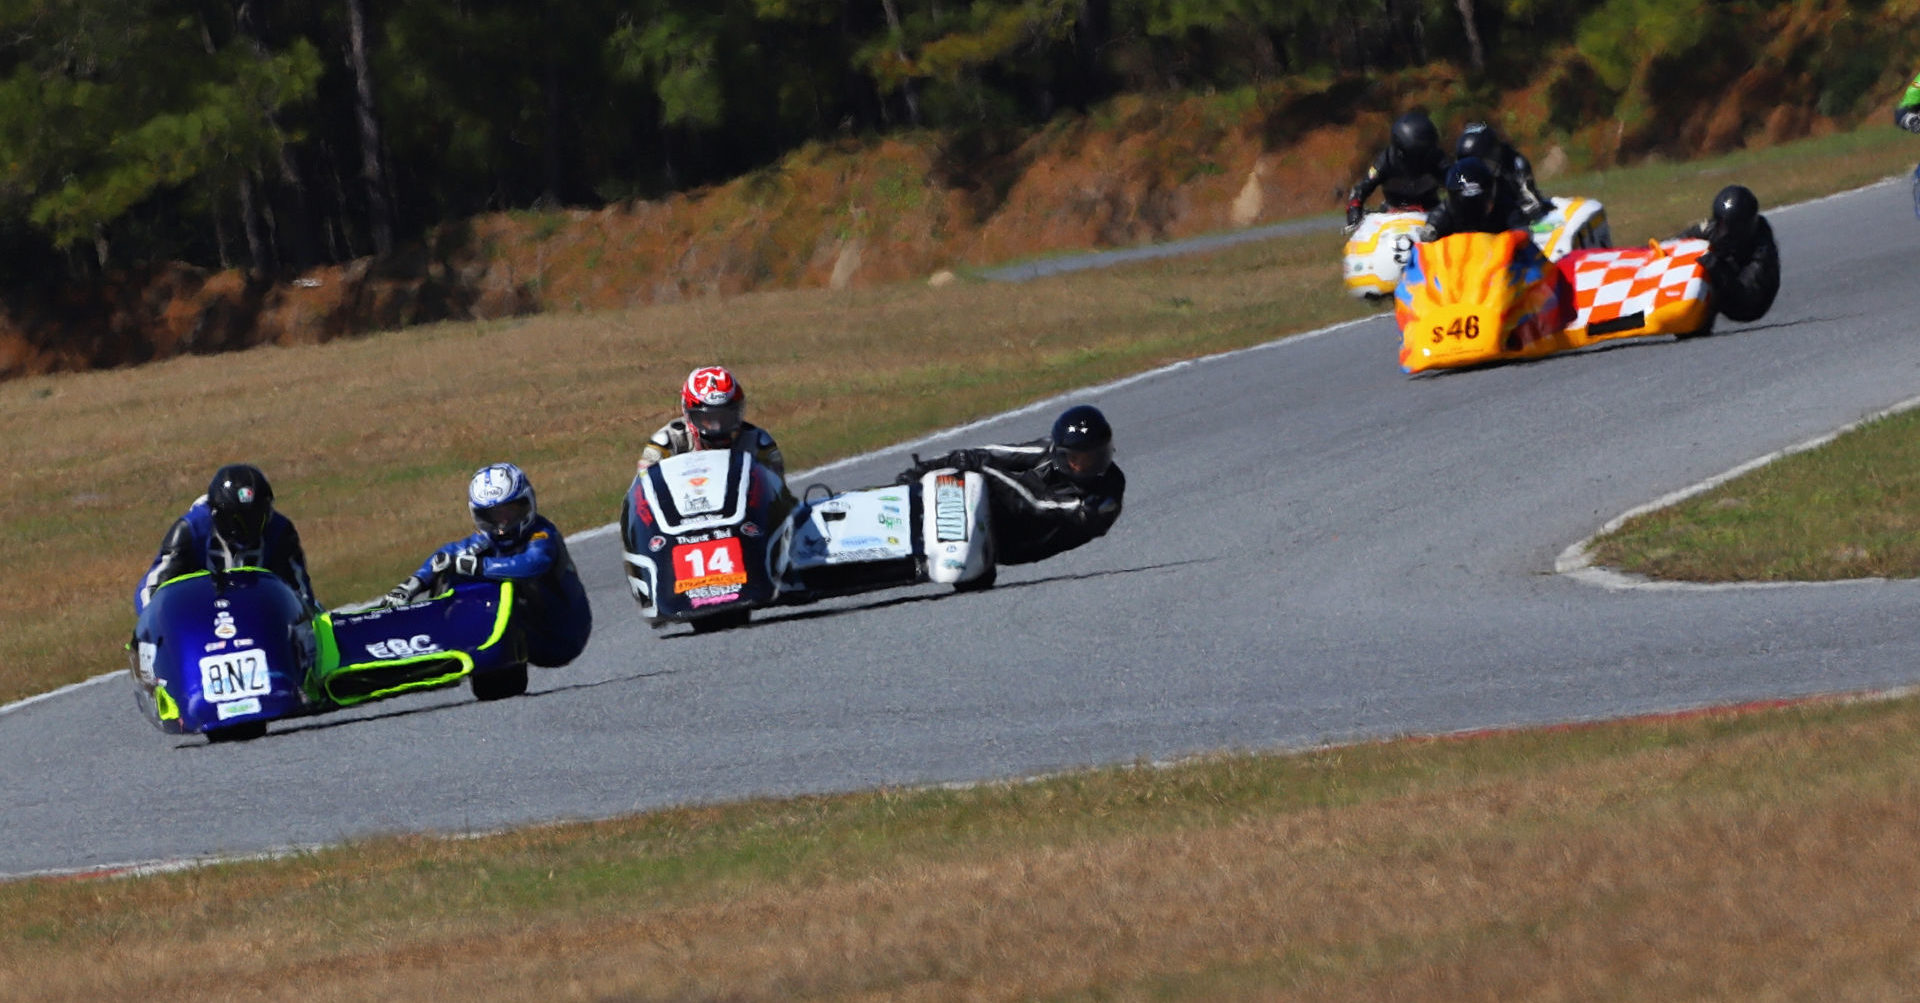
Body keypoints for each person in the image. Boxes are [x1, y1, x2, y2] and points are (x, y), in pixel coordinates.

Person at [384, 463, 592, 668]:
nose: (503, 523)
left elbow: (532, 564)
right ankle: (421, 641)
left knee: (478, 574)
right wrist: (412, 585)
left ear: (527, 504)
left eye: (510, 512)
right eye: (493, 515)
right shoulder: (486, 541)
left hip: (562, 634)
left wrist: (474, 566)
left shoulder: (542, 534)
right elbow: (446, 555)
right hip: (520, 639)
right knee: (454, 572)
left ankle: (455, 645)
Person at [895, 404, 1124, 566]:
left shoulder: (1107, 494)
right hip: (1010, 511)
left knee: (983, 476)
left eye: (1095, 457)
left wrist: (986, 470)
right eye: (1077, 459)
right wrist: (929, 467)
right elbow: (992, 453)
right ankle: (901, 506)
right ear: (1061, 455)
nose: (1085, 467)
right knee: (965, 466)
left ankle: (951, 549)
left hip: (1020, 543)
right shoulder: (1046, 451)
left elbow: (1038, 503)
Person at [135, 463, 317, 614]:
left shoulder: (280, 531)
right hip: (202, 620)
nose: (248, 529)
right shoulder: (191, 529)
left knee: (319, 618)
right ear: (216, 514)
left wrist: (303, 616)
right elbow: (151, 587)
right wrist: (154, 618)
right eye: (237, 521)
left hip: (263, 619)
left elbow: (301, 592)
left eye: (257, 518)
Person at [636, 366, 786, 476]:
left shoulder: (758, 444)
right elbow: (643, 495)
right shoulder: (667, 444)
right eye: (708, 419)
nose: (717, 426)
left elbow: (777, 497)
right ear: (688, 413)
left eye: (725, 417)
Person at [1677, 184, 1779, 325]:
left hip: (1751, 304)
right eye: (1720, 223)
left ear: (1744, 226)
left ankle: (1695, 321)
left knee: (1708, 268)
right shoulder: (1714, 228)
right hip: (1729, 278)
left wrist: (1717, 269)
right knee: (1693, 254)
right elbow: (1678, 243)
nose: (1723, 232)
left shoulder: (1762, 251)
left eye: (1730, 226)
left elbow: (1747, 296)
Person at [1345, 110, 1451, 229]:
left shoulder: (1437, 159)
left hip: (1431, 216)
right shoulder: (1385, 161)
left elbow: (1457, 186)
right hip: (1392, 217)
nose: (1423, 158)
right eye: (1418, 154)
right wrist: (1354, 213)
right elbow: (1360, 190)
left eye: (1427, 151)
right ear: (1401, 152)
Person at [1454, 122, 1549, 220]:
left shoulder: (1515, 164)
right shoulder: (1459, 175)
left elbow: (1531, 205)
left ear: (1494, 154)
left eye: (1478, 162)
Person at [1421, 158, 1519, 240]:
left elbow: (1521, 230)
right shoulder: (1441, 215)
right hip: (1456, 260)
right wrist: (1429, 233)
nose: (1472, 210)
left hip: (1496, 260)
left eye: (1477, 203)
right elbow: (1425, 242)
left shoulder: (1505, 209)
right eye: (1465, 204)